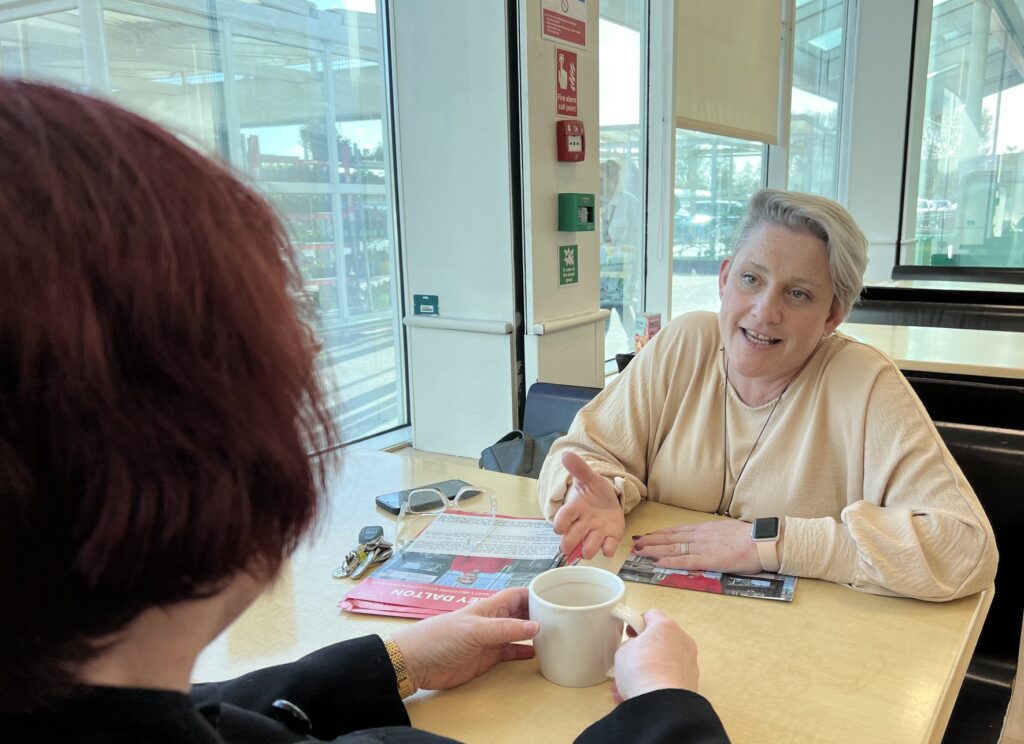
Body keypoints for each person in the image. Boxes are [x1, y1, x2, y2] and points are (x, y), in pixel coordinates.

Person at [0, 80, 730, 743]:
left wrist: (396, 663)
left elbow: (190, 712)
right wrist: (666, 707)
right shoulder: (683, 344)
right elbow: (591, 452)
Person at [539, 189, 998, 602]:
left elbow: (966, 549)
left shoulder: (864, 381)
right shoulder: (685, 343)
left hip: (799, 646)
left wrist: (772, 542)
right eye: (751, 279)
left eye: (798, 294)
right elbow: (579, 454)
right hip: (655, 619)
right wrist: (599, 494)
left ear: (832, 315)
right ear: (724, 279)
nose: (765, 311)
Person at [599, 159, 642, 336]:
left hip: (624, 275)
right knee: (601, 324)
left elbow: (640, 241)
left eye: (602, 180)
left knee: (629, 321)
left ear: (614, 179)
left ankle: (637, 350)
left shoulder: (630, 203)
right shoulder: (595, 202)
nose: (599, 184)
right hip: (602, 277)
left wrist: (635, 277)